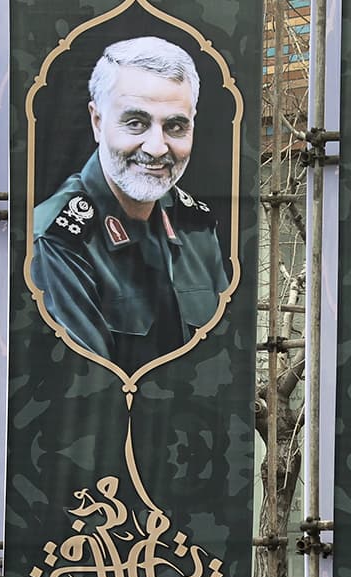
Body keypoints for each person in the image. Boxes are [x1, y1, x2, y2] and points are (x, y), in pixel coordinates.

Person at [32, 36, 228, 369]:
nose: (156, 147)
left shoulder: (194, 227)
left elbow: (224, 359)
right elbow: (90, 386)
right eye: (136, 123)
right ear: (97, 122)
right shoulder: (56, 240)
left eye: (175, 126)